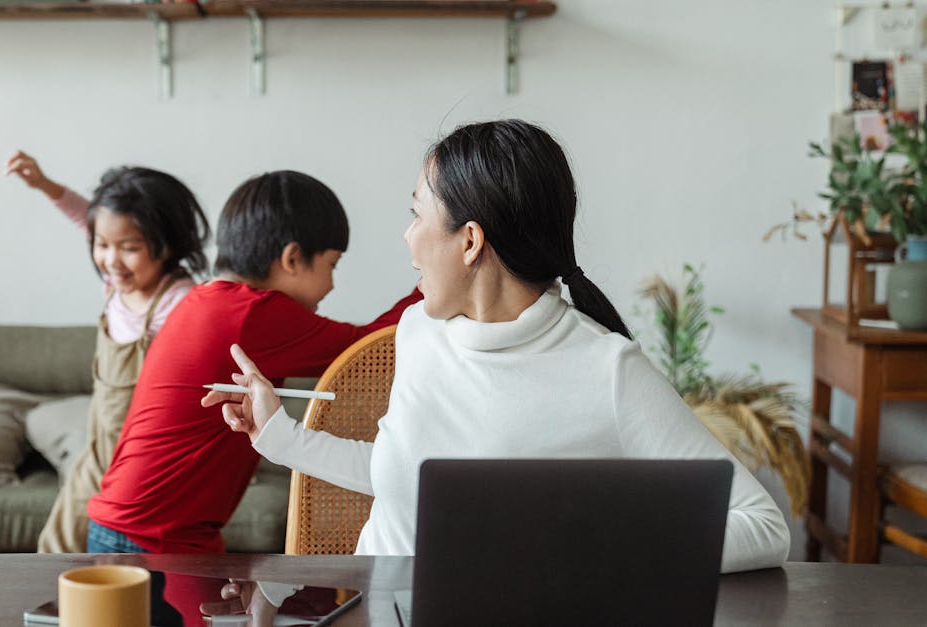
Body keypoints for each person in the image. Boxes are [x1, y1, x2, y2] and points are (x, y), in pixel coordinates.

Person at [204, 120, 791, 575]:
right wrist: (278, 435)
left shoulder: (608, 370)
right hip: (378, 609)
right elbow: (402, 478)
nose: (408, 238)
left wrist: (592, 545)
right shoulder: (418, 331)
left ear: (469, 241)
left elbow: (762, 526)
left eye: (416, 214)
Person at [86, 170, 423, 554]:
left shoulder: (209, 300)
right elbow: (366, 352)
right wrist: (431, 281)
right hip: (150, 538)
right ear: (292, 258)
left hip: (138, 527)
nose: (331, 284)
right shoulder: (250, 314)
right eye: (332, 265)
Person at [5, 151, 210, 553]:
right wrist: (47, 186)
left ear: (167, 243)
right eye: (102, 245)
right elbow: (90, 219)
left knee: (103, 560)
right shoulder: (118, 285)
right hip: (97, 450)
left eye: (129, 247)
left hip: (138, 464)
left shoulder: (179, 303)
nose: (111, 260)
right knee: (56, 547)